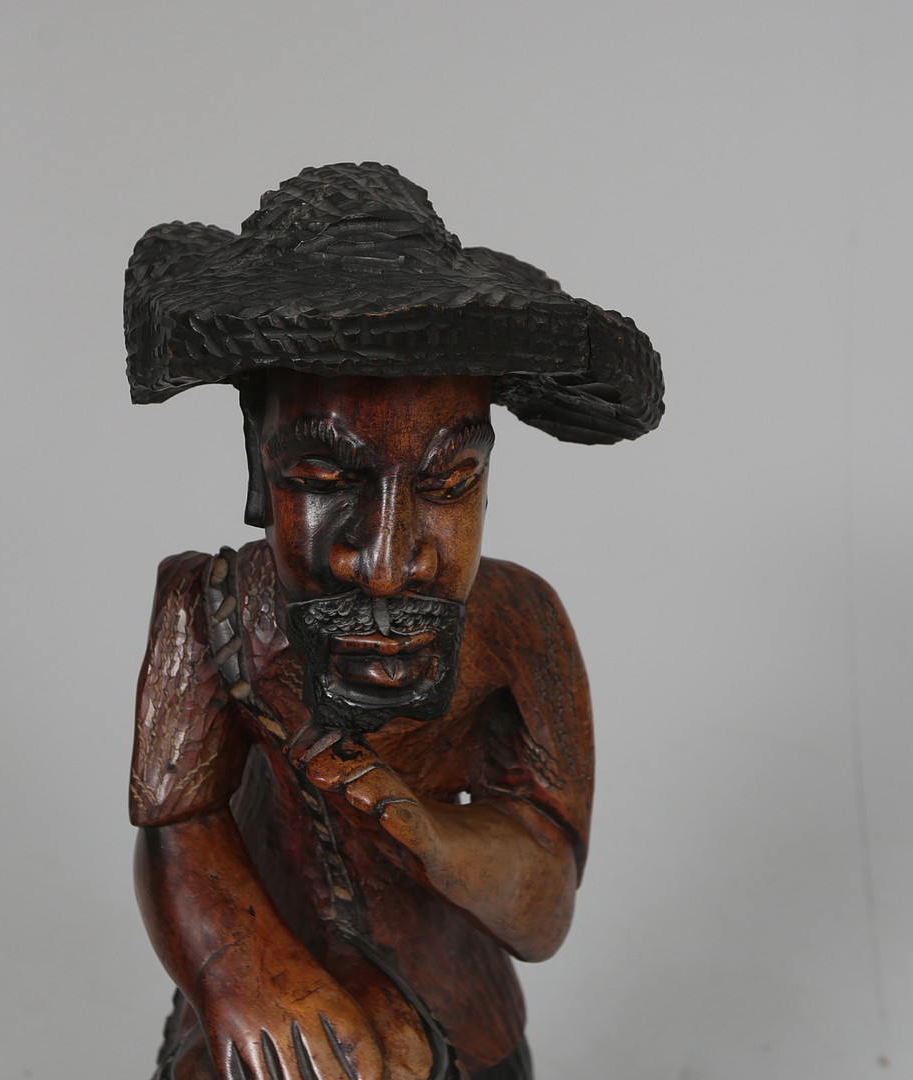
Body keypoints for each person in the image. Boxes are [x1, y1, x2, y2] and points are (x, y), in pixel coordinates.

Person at [123, 163, 663, 1080]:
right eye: (323, 480)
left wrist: (430, 836)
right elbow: (178, 825)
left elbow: (543, 911)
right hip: (260, 1002)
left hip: (460, 1008)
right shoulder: (205, 609)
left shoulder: (519, 621)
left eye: (447, 485)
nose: (384, 562)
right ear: (256, 460)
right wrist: (238, 972)